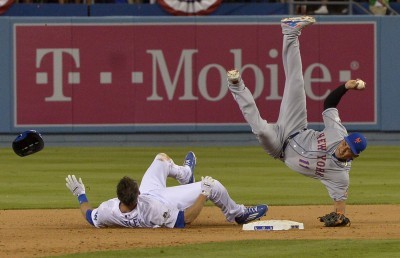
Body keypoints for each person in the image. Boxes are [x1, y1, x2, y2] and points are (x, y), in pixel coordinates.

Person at [226, 16, 367, 226]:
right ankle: (290, 31)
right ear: (345, 139)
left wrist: (340, 217)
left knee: (262, 130)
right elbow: (329, 104)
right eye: (347, 145)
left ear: (354, 158)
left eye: (350, 152)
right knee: (297, 82)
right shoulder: (338, 133)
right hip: (296, 127)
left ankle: (237, 86)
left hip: (279, 148)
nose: (345, 150)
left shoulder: (340, 175)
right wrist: (345, 87)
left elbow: (339, 203)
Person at [66, 151, 268, 228]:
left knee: (161, 159)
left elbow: (88, 215)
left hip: (149, 195)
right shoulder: (154, 210)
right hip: (164, 200)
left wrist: (80, 194)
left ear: (119, 197)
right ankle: (237, 214)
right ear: (137, 193)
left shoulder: (108, 211)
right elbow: (185, 219)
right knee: (214, 185)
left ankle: (186, 174)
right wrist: (203, 193)